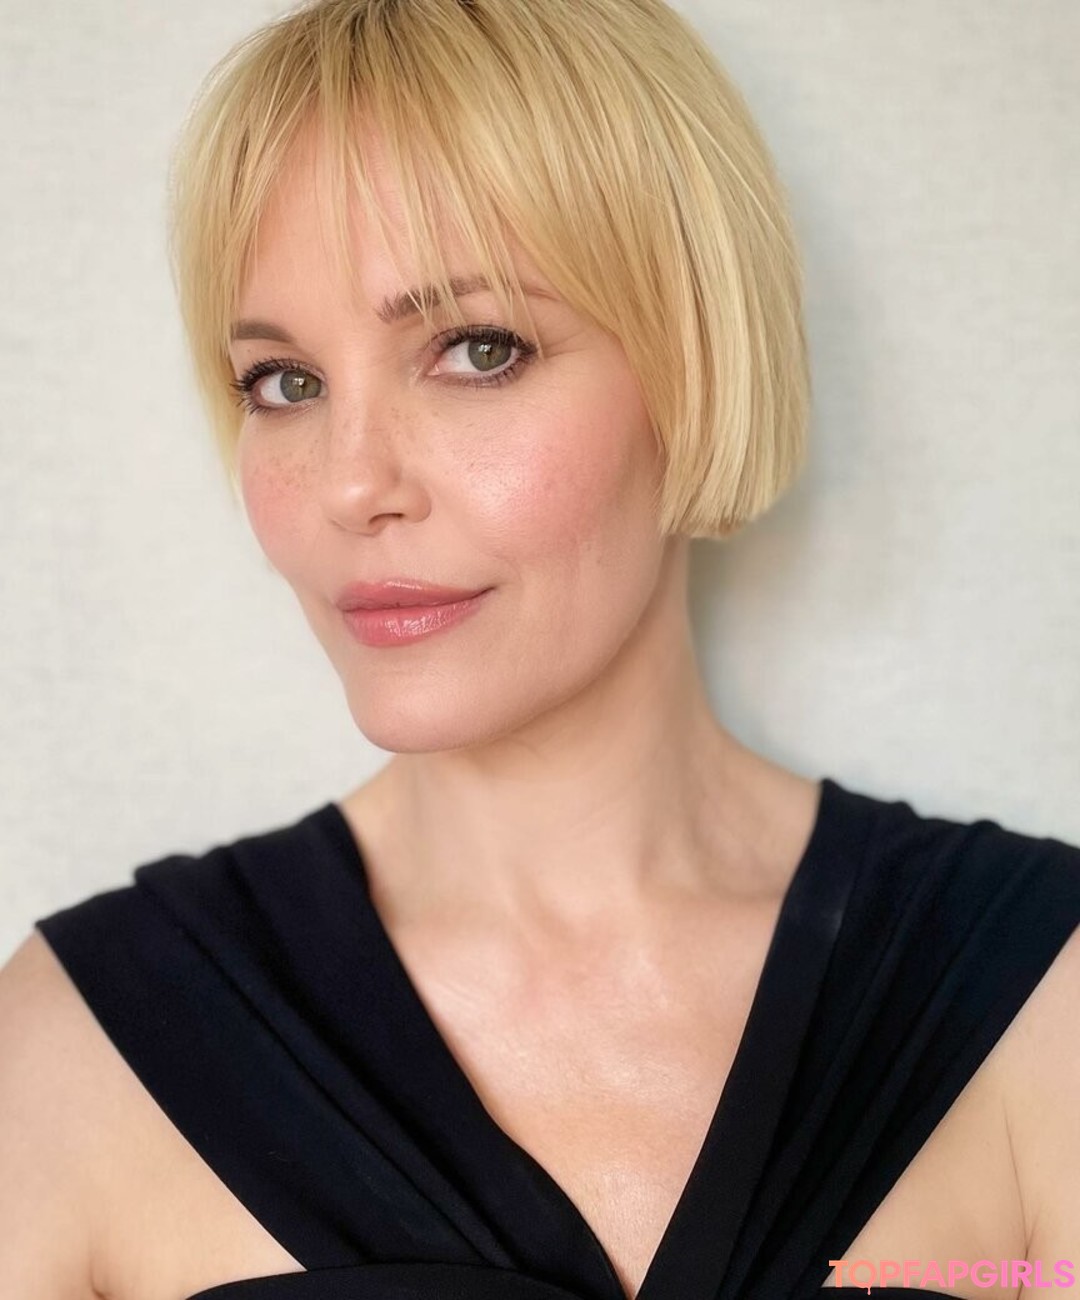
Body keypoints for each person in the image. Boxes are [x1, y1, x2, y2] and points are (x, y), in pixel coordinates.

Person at [1, 1, 1078, 1298]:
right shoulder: (79, 1047)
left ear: (695, 363)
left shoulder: (1038, 994)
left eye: (476, 350)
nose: (352, 485)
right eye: (286, 382)